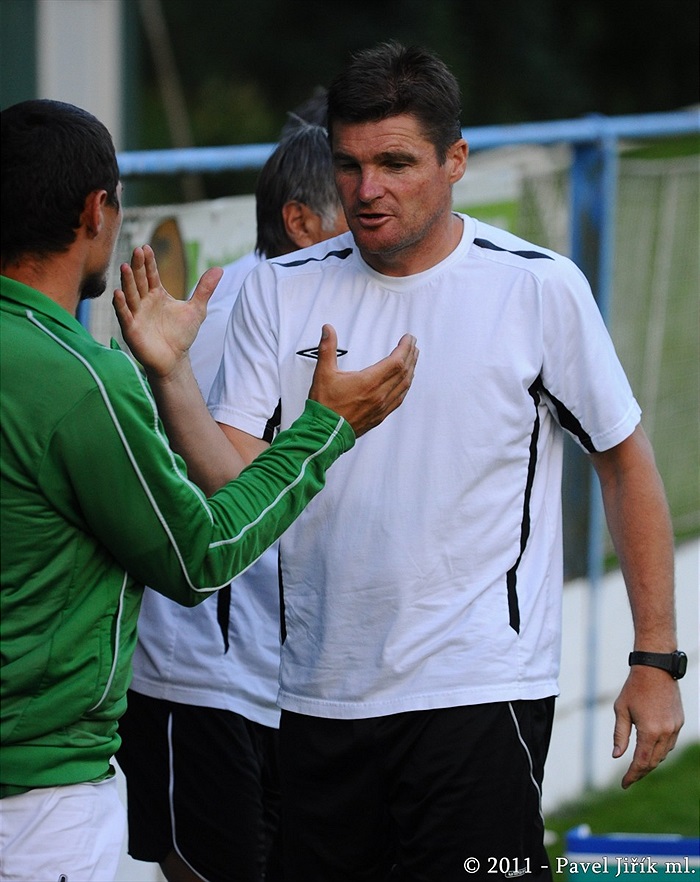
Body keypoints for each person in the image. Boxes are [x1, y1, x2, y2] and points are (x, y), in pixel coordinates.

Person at [109, 43, 686, 880]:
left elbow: (624, 460)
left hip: (479, 691)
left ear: (456, 161)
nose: (367, 188)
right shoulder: (281, 288)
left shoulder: (537, 286)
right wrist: (171, 378)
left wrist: (655, 658)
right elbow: (235, 483)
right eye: (349, 165)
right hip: (316, 695)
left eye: (395, 163)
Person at [0, 97, 417, 882]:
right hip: (40, 791)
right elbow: (201, 555)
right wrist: (325, 430)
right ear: (96, 211)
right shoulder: (81, 381)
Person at [116, 120, 348, 882]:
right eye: (351, 211)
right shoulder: (225, 314)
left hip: (279, 679)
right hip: (201, 673)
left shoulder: (323, 307)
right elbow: (222, 488)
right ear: (301, 221)